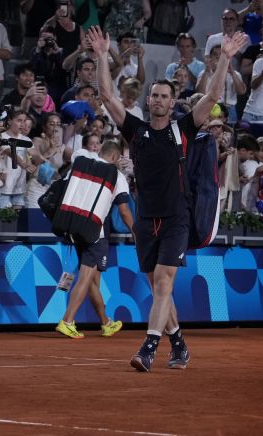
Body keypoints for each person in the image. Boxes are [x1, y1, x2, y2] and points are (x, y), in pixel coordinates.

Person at [87, 25, 249, 372]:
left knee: (163, 281)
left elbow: (214, 95)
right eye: (154, 95)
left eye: (164, 96)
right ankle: (179, 344)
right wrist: (102, 55)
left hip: (177, 218)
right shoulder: (136, 130)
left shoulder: (184, 128)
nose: (158, 100)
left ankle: (148, 347)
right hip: (146, 220)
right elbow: (105, 94)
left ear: (172, 102)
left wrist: (226, 60)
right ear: (148, 100)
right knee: (159, 288)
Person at [56, 139, 134, 339]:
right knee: (86, 277)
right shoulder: (117, 176)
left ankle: (106, 322)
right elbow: (124, 211)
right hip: (95, 235)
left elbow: (73, 154)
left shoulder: (82, 160)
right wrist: (136, 233)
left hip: (75, 228)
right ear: (116, 157)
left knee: (92, 281)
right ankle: (67, 321)